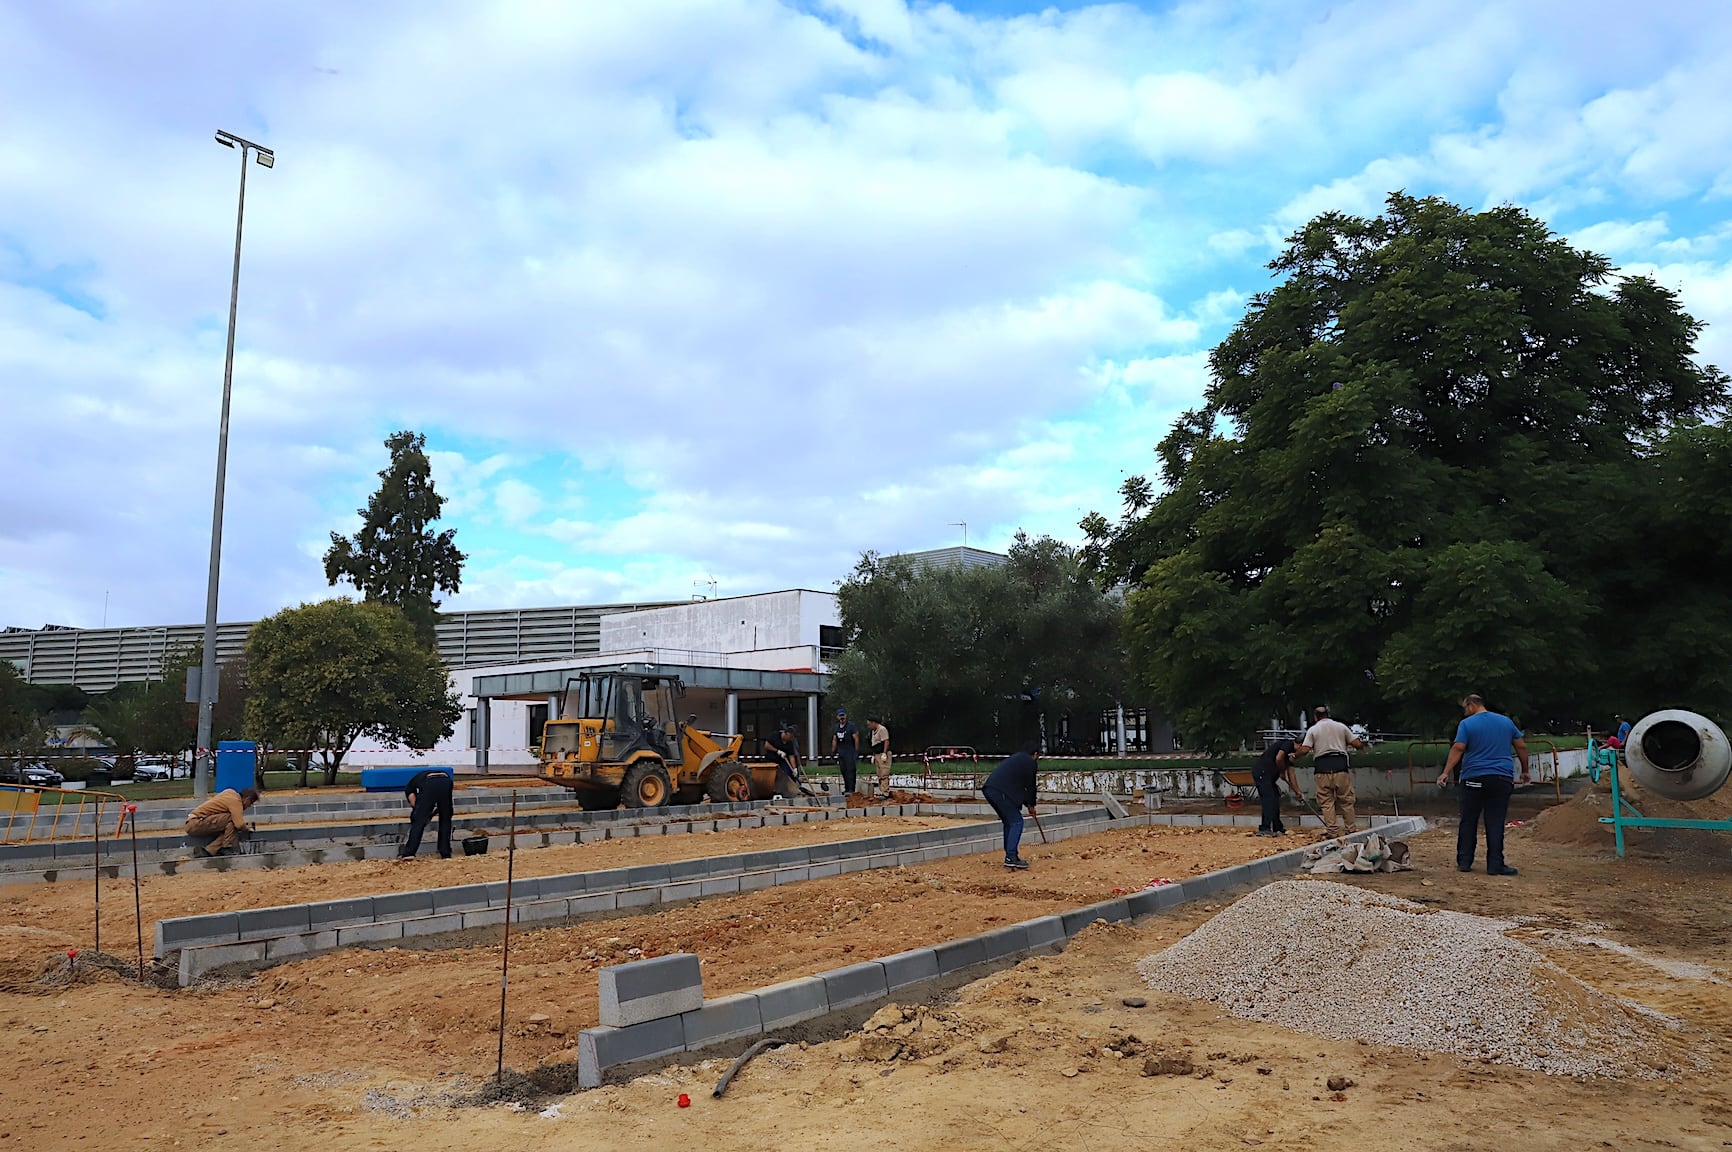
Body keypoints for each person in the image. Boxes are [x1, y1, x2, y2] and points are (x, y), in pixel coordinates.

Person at [1437, 694, 1530, 876]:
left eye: (1465, 708)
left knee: (1468, 820)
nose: (1465, 712)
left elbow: (1458, 747)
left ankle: (1464, 862)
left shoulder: (1467, 724)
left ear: (1471, 705)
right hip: (1501, 778)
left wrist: (1446, 772)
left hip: (1473, 777)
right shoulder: (1506, 722)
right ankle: (1495, 864)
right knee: (1495, 821)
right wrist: (1525, 770)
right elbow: (1521, 746)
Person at [1295, 705, 1365, 838]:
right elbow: (1356, 743)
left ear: (1315, 717)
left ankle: (1333, 832)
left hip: (1322, 768)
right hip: (1340, 767)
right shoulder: (1341, 727)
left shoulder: (1313, 729)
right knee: (1346, 800)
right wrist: (1362, 747)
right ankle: (1350, 829)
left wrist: (1294, 756)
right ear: (1328, 714)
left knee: (1326, 802)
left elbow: (1305, 749)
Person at [983, 740, 1040, 869]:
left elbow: (1022, 786)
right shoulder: (1030, 762)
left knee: (1009, 822)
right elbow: (1030, 786)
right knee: (1016, 822)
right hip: (1000, 792)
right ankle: (1011, 857)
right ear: (1035, 754)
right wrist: (1031, 805)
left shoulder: (1018, 759)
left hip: (991, 789)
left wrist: (1028, 804)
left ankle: (1011, 855)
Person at [184, 787, 259, 857]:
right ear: (247, 799)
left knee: (230, 829)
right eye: (251, 803)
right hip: (196, 822)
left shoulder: (230, 793)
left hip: (194, 822)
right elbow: (239, 824)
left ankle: (209, 851)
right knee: (233, 819)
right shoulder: (236, 801)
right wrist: (247, 829)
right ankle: (228, 848)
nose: (249, 806)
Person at [399, 769, 455, 859]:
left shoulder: (409, 788)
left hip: (430, 783)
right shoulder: (419, 778)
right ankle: (445, 852)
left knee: (418, 822)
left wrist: (419, 813)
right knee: (445, 819)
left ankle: (409, 853)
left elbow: (415, 804)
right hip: (446, 781)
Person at [1251, 736, 1298, 836]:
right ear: (1300, 745)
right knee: (1269, 799)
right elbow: (1279, 758)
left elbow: (1291, 774)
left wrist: (1297, 791)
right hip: (1262, 772)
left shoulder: (1292, 755)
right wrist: (1281, 772)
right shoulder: (1288, 744)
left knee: (1275, 797)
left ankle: (1277, 827)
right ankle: (1265, 828)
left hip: (1269, 777)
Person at [763, 722, 807, 798]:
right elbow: (767, 745)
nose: (792, 739)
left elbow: (791, 756)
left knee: (788, 772)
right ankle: (772, 790)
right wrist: (777, 751)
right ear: (787, 734)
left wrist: (794, 769)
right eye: (791, 737)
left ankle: (790, 790)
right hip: (771, 759)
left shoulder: (790, 743)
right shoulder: (775, 735)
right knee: (772, 774)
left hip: (782, 761)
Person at [832, 708, 861, 795]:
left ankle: (851, 789)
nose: (842, 718)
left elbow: (856, 738)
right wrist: (833, 751)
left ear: (846, 716)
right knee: (843, 771)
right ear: (837, 717)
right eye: (840, 716)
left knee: (850, 771)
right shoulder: (836, 727)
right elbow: (834, 739)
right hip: (841, 752)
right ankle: (847, 788)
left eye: (843, 715)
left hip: (850, 751)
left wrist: (856, 751)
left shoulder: (851, 726)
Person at [866, 717, 892, 798]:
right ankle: (882, 790)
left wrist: (884, 753)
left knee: (884, 773)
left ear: (874, 723)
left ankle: (885, 792)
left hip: (882, 754)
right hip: (877, 753)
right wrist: (873, 755)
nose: (869, 726)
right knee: (879, 774)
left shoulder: (882, 729)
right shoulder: (873, 731)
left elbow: (886, 741)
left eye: (869, 724)